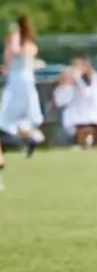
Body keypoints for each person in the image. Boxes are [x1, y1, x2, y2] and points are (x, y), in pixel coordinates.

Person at [1, 15, 48, 176]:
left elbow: (14, 54)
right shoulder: (30, 43)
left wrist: (11, 44)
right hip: (26, 80)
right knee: (24, 119)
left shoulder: (17, 41)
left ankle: (27, 140)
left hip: (18, 81)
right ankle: (30, 140)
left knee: (6, 119)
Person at [54, 56, 97, 148]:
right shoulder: (68, 81)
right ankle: (85, 144)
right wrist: (67, 84)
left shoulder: (95, 79)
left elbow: (96, 101)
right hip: (77, 121)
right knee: (84, 130)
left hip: (95, 118)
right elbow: (60, 101)